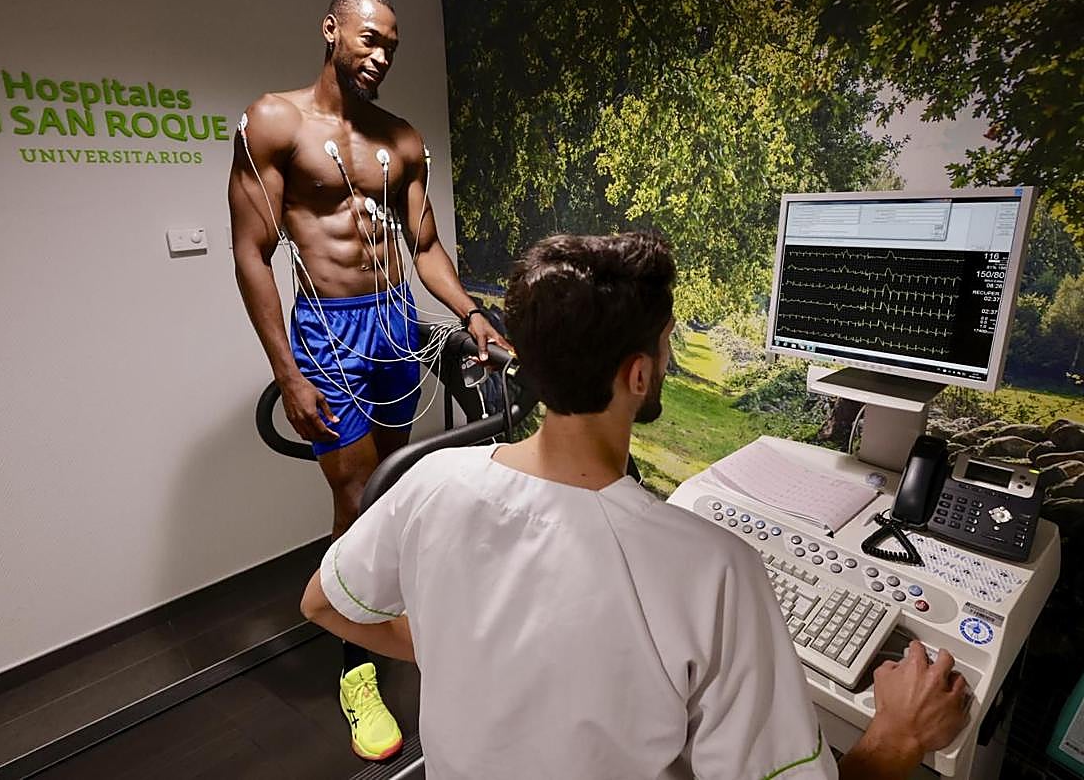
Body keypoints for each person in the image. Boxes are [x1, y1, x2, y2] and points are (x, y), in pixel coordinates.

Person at [300, 232, 971, 778]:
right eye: (667, 341)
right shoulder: (715, 570)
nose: (669, 356)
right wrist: (899, 733)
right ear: (639, 374)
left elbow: (323, 603)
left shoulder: (430, 480)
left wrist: (459, 644)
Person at [228, 0, 508, 762]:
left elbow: (423, 248)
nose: (381, 54)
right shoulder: (275, 121)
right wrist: (288, 373)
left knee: (396, 482)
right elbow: (252, 251)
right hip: (327, 329)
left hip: (396, 325)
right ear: (331, 30)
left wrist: (473, 312)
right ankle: (358, 667)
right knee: (355, 494)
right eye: (369, 38)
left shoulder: (404, 138)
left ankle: (397, 607)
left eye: (391, 44)